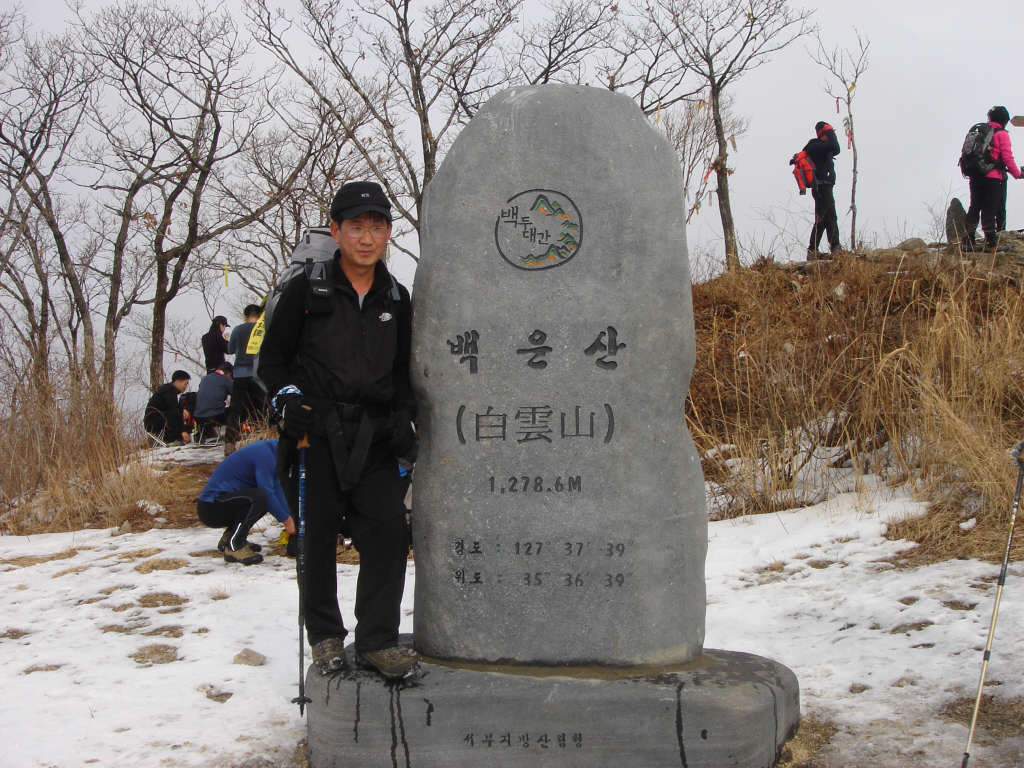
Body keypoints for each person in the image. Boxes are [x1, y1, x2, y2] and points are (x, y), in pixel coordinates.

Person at [258, 180, 418, 680]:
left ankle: (378, 641)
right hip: (316, 435)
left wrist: (403, 415)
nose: (366, 238)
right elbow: (272, 362)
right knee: (316, 537)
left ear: (388, 232)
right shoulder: (308, 289)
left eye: (376, 227)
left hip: (375, 438)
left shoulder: (397, 294)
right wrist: (288, 404)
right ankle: (326, 637)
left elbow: (401, 370)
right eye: (356, 227)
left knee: (389, 534)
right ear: (336, 230)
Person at [197, 439, 296, 565]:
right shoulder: (264, 454)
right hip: (211, 508)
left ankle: (229, 537)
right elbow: (267, 493)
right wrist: (287, 522)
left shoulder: (273, 452)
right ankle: (234, 545)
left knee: (265, 498)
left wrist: (290, 519)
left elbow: (276, 490)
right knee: (260, 496)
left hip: (222, 503)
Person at [962, 106, 1023, 254]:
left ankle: (967, 242)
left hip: (975, 175)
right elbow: (1007, 158)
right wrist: (1018, 174)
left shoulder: (981, 132)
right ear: (1005, 120)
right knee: (989, 209)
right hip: (993, 177)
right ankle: (991, 244)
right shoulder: (1001, 134)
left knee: (974, 207)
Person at [225, 304, 268, 455]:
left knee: (236, 410)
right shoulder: (264, 328)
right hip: (259, 376)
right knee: (264, 408)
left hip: (240, 375)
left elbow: (229, 350)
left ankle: (229, 443)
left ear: (245, 316)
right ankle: (264, 440)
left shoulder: (237, 329)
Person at [803, 121, 843, 258]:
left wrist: (829, 132)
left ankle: (812, 250)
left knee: (822, 220)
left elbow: (836, 149)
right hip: (821, 186)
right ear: (823, 135)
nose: (834, 136)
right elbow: (833, 145)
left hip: (824, 186)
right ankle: (836, 247)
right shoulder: (815, 146)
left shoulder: (822, 148)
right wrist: (829, 130)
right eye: (831, 134)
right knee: (831, 216)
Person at [143, 370, 192, 445]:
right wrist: (183, 431)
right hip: (151, 423)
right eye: (185, 384)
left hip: (158, 419)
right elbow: (174, 409)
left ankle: (177, 438)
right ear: (177, 382)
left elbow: (175, 407)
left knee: (177, 412)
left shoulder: (170, 390)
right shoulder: (167, 391)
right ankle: (170, 440)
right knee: (175, 413)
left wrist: (183, 410)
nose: (186, 387)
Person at [194, 362, 233, 440]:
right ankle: (232, 435)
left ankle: (202, 435)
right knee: (236, 409)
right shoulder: (226, 379)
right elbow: (235, 394)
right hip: (216, 417)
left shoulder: (205, 378)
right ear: (229, 374)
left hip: (198, 417)